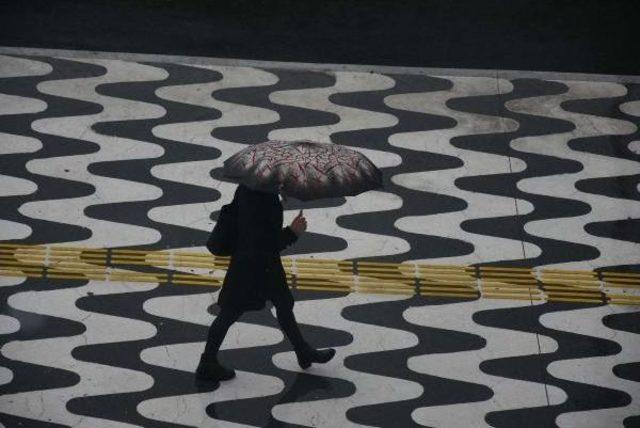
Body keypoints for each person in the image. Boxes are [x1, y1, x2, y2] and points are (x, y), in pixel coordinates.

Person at [196, 182, 336, 382]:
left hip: (259, 264)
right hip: (252, 266)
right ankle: (207, 363)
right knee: (230, 312)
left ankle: (303, 351)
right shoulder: (260, 197)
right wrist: (292, 232)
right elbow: (262, 242)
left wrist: (277, 196)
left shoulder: (252, 188)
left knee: (283, 303)